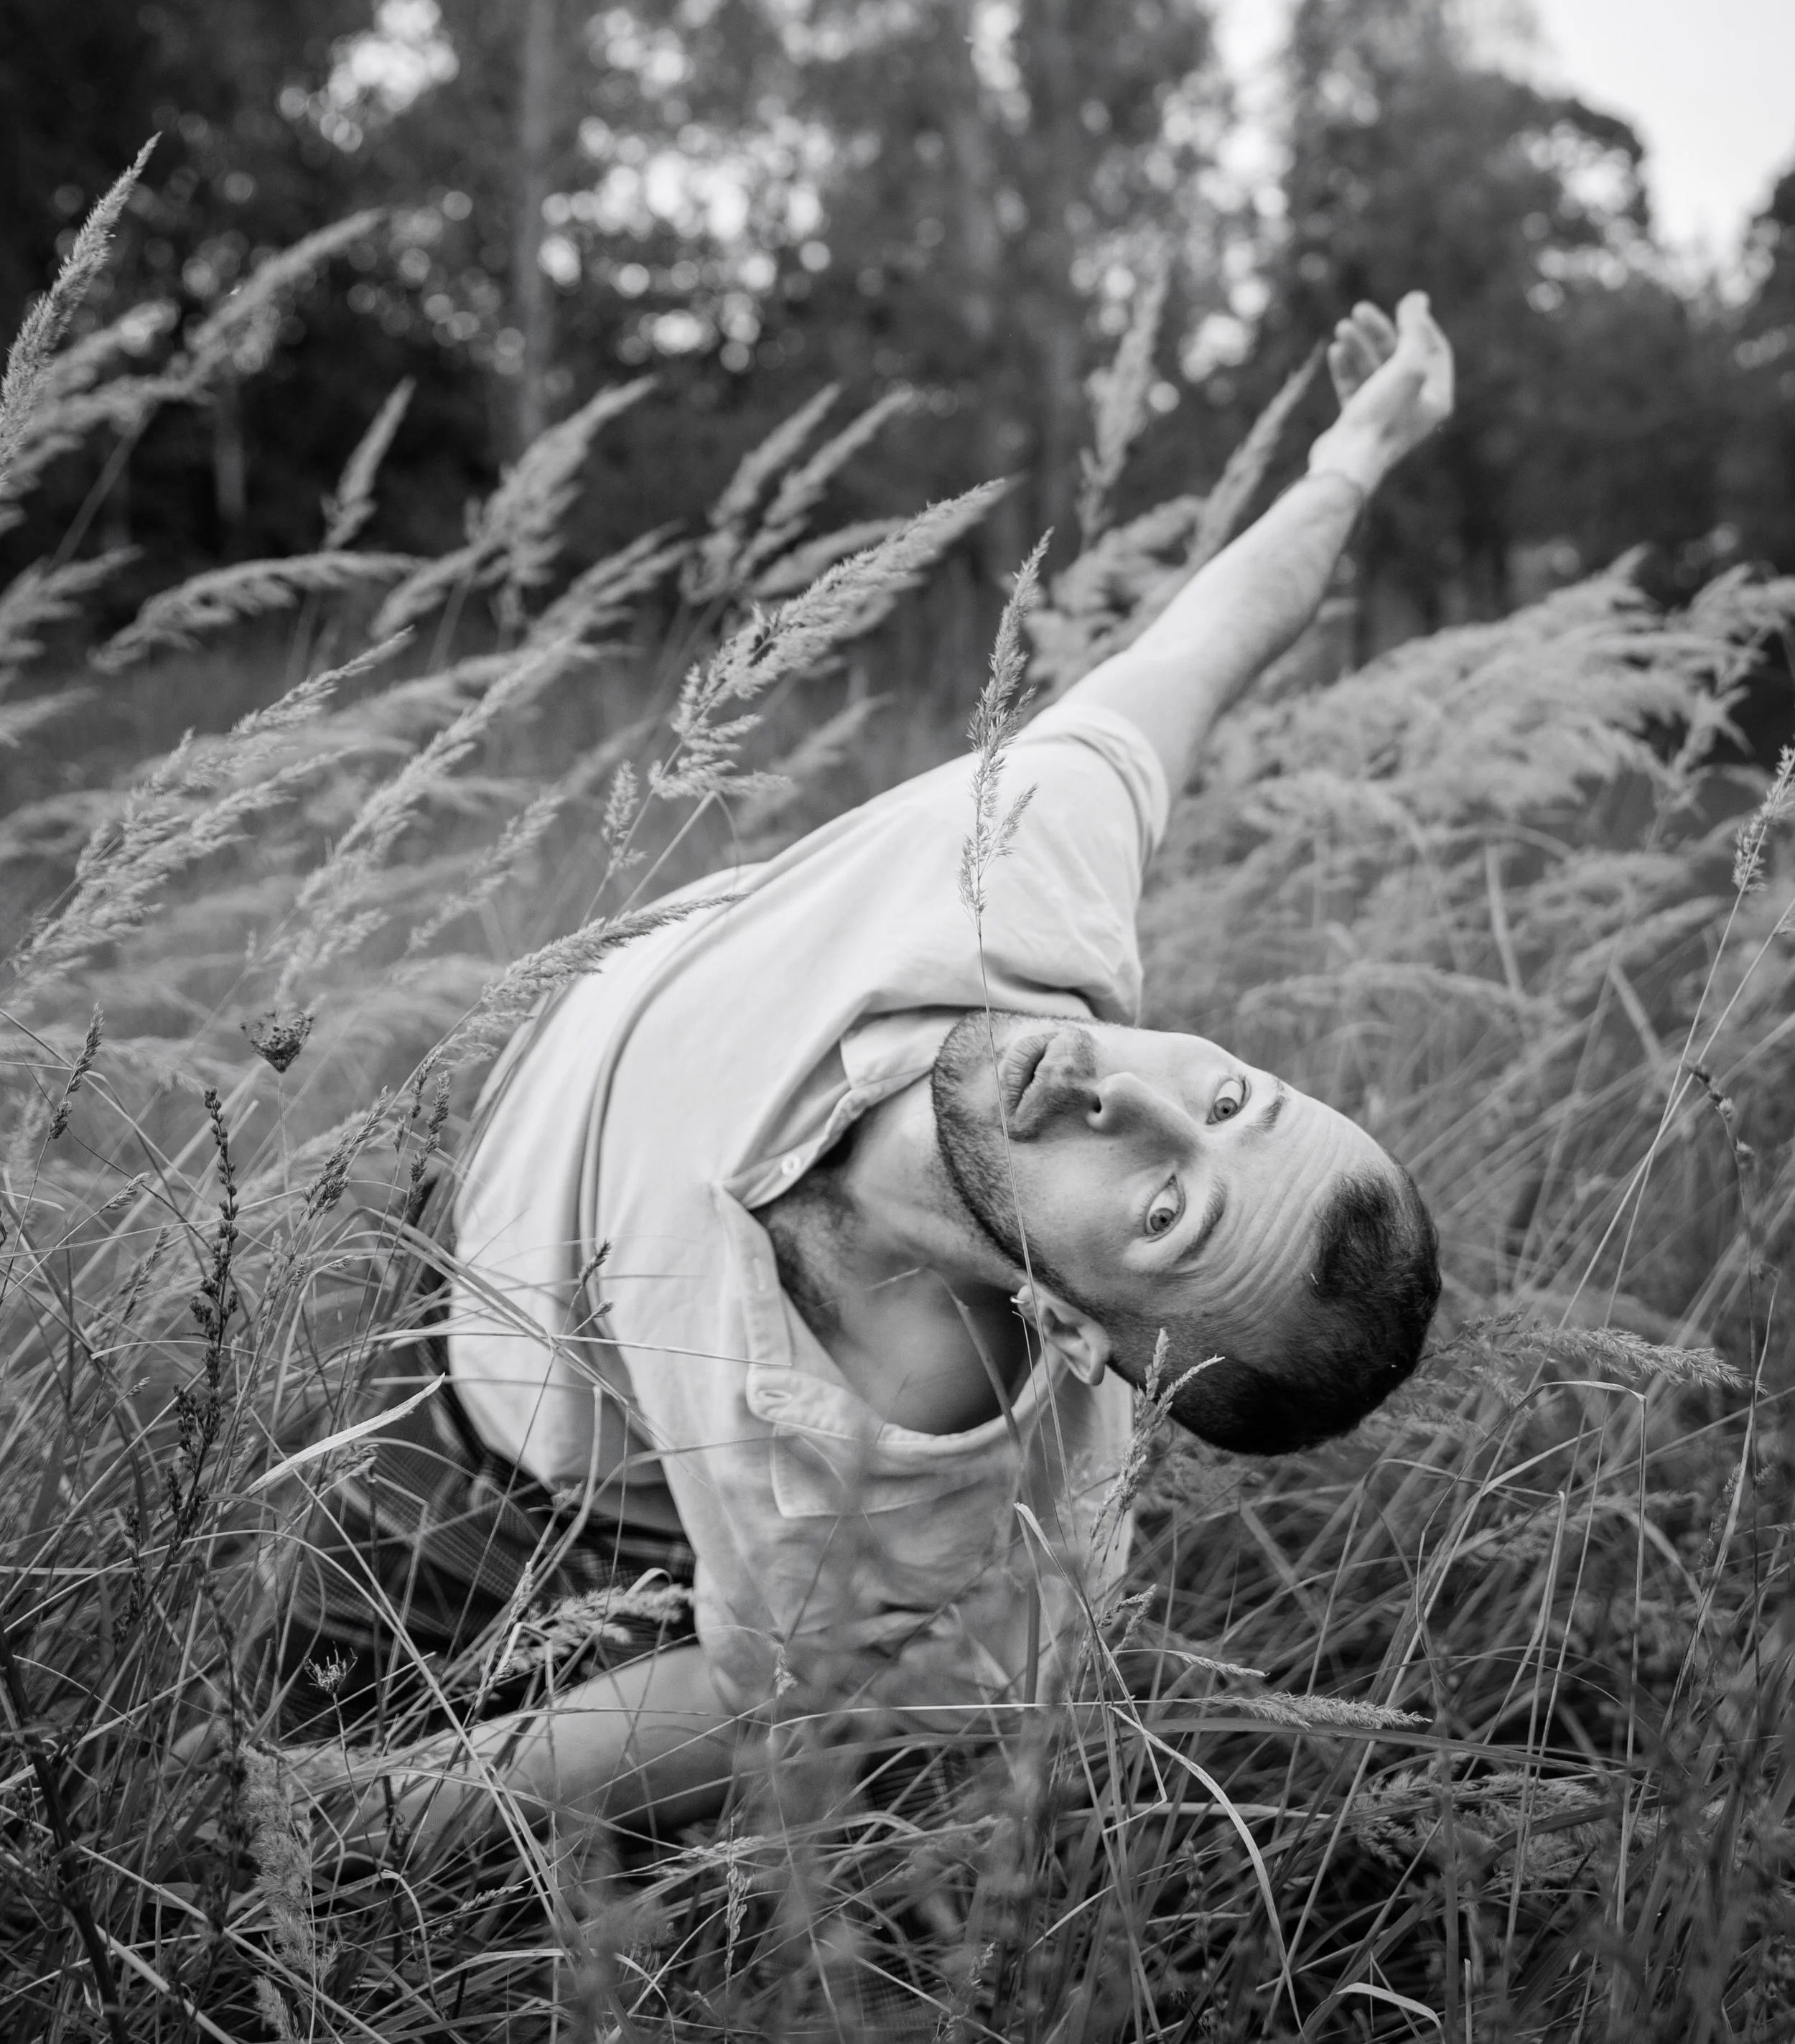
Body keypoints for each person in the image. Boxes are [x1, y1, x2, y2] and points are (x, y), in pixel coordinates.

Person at [280, 289, 1453, 1854]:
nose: (1137, 1094)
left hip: (490, 1469)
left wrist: (352, 1815)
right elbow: (1213, 639)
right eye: (1232, 1094)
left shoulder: (909, 1508)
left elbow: (767, 1695)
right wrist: (1355, 456)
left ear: (1090, 1341)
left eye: (1166, 1209)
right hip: (462, 1170)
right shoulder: (1029, 869)